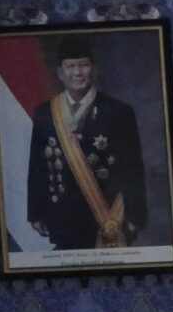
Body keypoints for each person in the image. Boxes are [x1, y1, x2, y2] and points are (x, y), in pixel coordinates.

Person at [26, 35, 150, 252]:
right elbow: (38, 166)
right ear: (60, 73)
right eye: (70, 66)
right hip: (62, 218)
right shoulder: (45, 113)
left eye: (83, 65)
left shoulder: (118, 111)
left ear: (94, 69)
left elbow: (133, 170)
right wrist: (36, 213)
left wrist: (135, 217)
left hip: (107, 219)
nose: (77, 72)